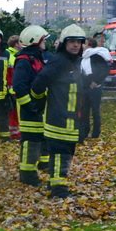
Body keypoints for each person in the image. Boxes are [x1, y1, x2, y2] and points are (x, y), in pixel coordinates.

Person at [31, 24, 87, 198]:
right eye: (72, 42)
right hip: (58, 118)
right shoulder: (59, 61)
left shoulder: (76, 62)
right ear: (64, 43)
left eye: (78, 42)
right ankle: (58, 189)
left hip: (72, 119)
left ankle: (55, 183)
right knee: (60, 152)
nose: (75, 45)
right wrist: (39, 102)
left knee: (67, 152)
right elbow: (38, 84)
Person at [12, 25, 49, 186]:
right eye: (43, 40)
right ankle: (27, 175)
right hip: (29, 110)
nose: (45, 42)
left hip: (38, 108)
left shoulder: (36, 58)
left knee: (37, 140)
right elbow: (19, 87)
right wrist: (30, 105)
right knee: (30, 141)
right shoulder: (24, 61)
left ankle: (33, 170)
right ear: (36, 41)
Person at [79, 37, 112, 140]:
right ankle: (85, 131)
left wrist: (96, 81)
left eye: (84, 44)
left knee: (95, 111)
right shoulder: (83, 57)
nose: (82, 46)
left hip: (95, 88)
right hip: (84, 87)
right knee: (84, 111)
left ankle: (96, 132)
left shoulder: (96, 56)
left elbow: (105, 69)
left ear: (89, 45)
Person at [6, 34, 21, 141]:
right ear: (16, 44)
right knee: (13, 113)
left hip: (12, 89)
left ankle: (15, 133)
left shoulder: (12, 55)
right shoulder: (12, 57)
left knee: (14, 113)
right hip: (12, 90)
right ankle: (14, 134)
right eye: (20, 42)